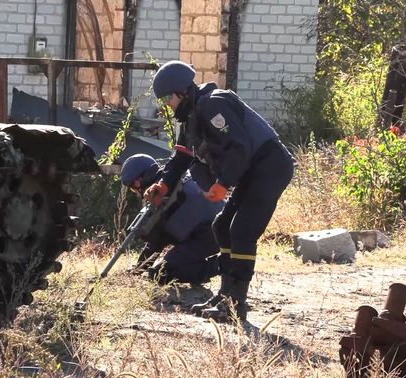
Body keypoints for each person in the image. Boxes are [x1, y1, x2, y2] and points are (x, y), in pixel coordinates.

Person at [143, 60, 295, 322]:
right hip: (251, 172)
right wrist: (163, 185)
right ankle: (225, 295)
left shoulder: (214, 104)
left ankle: (236, 304)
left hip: (270, 167)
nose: (167, 104)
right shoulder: (191, 119)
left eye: (168, 98)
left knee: (242, 231)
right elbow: (180, 159)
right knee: (222, 226)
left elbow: (239, 147)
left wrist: (222, 183)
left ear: (182, 91)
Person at [120, 153, 224, 286]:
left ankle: (221, 265)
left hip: (210, 234)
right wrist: (139, 269)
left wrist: (139, 269)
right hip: (215, 228)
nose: (136, 191)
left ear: (140, 179)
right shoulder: (171, 179)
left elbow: (156, 242)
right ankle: (203, 269)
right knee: (168, 265)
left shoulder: (160, 195)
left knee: (159, 274)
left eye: (133, 186)